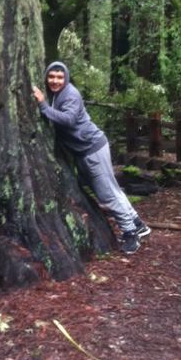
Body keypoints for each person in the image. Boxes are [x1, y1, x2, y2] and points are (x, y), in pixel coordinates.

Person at [32, 62, 150, 254]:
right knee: (111, 189)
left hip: (92, 149)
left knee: (107, 194)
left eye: (60, 77)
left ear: (66, 78)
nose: (55, 81)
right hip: (86, 150)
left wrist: (43, 105)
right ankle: (137, 224)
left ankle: (130, 235)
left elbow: (68, 119)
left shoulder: (70, 94)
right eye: (51, 77)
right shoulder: (56, 94)